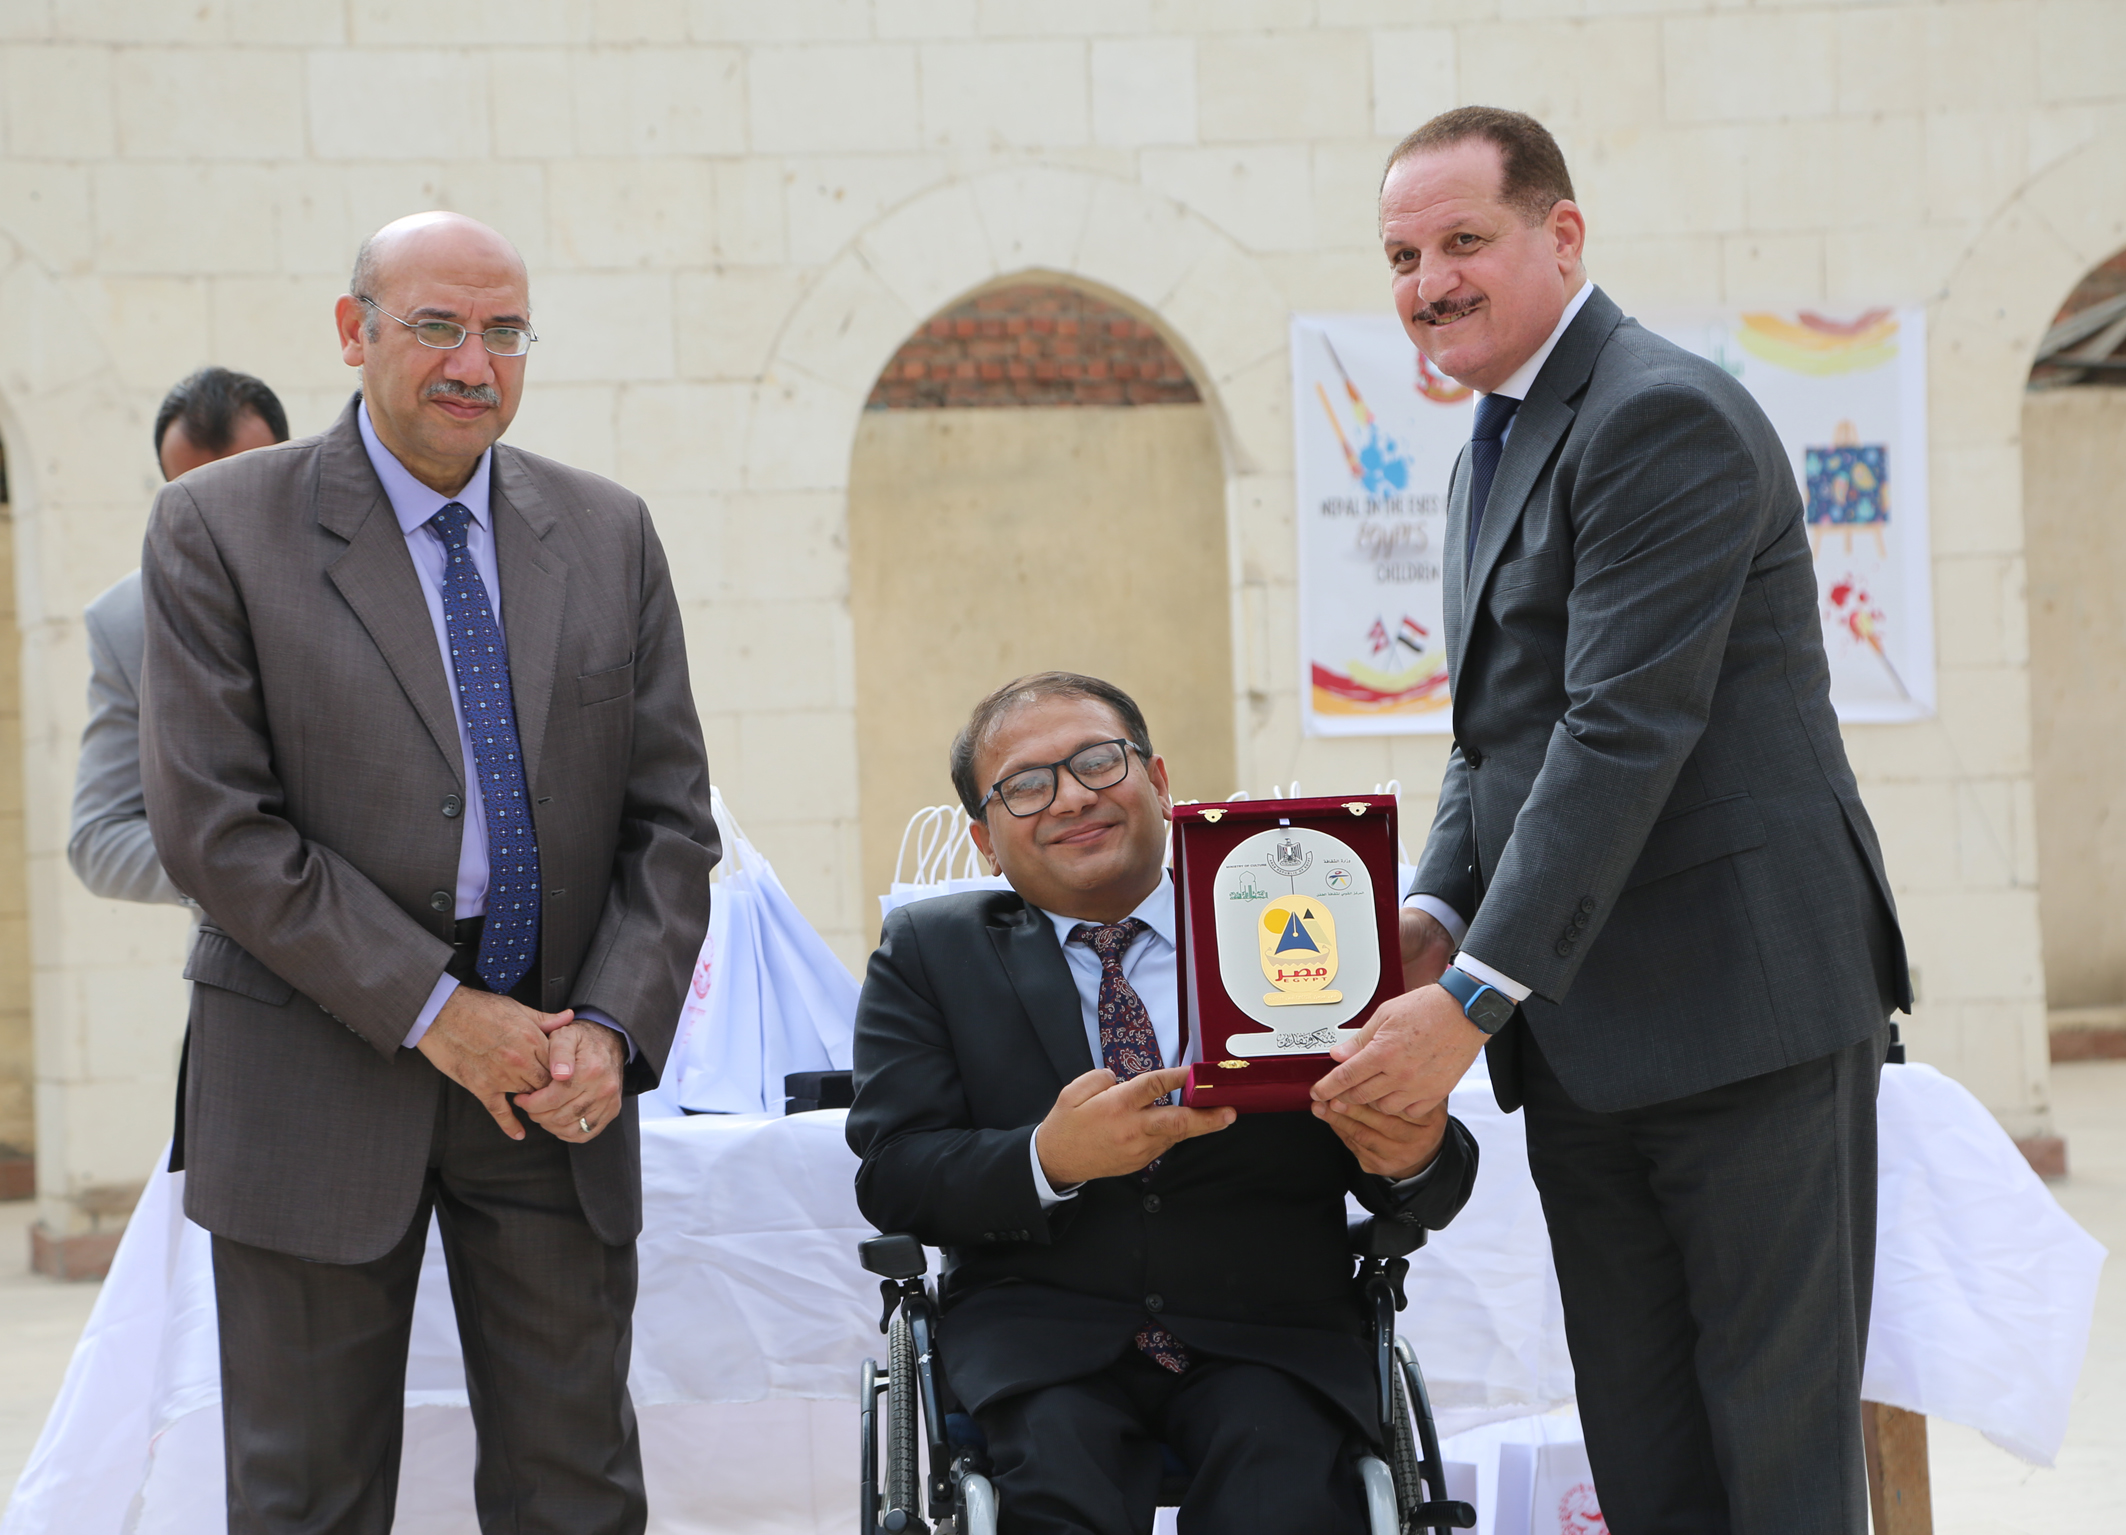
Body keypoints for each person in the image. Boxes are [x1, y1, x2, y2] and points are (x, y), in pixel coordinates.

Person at [1313, 108, 1909, 1533]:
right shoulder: (1490, 443)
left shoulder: (1655, 415)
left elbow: (1619, 730)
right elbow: (1492, 739)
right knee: (1646, 1460)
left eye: (1462, 241)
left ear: (1561, 234)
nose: (1427, 283)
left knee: (1772, 1468)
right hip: (1586, 1038)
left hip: (1740, 1019)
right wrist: (1430, 914)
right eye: (1400, 257)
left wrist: (1472, 991)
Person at [139, 212, 717, 1533]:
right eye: (437, 326)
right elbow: (218, 829)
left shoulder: (608, 532)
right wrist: (438, 1011)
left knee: (578, 1490)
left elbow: (670, 822)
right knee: (307, 1497)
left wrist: (610, 1027)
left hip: (554, 1079)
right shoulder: (218, 527)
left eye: (503, 331)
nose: (473, 363)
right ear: (354, 333)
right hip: (314, 1066)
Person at [847, 672, 1478, 1535]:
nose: (1072, 797)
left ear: (1160, 781)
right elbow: (896, 1173)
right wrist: (1049, 1159)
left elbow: (1432, 1176)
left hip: (1272, 1338)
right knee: (1053, 1495)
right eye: (1027, 785)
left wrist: (1410, 1152)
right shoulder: (929, 954)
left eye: (1097, 763)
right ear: (985, 841)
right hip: (1043, 1350)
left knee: (1283, 1500)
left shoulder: (1298, 920)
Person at [69, 366, 288, 906]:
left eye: (245, 490)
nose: (222, 524)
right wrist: (240, 874)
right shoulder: (124, 620)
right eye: (196, 498)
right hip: (237, 948)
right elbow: (99, 837)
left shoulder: (372, 570)